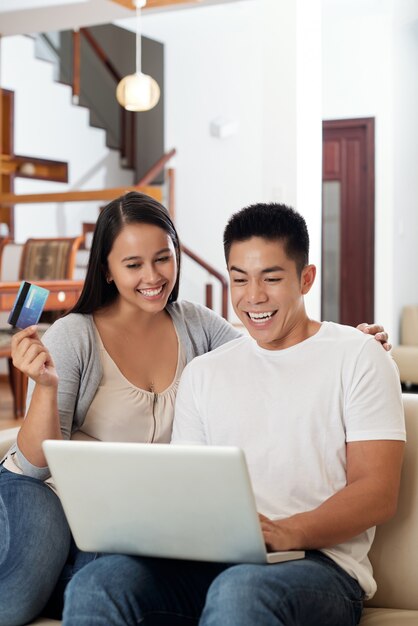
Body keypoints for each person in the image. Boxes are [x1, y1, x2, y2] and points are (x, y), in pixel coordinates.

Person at [0, 193, 391, 626]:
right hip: (47, 489)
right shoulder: (104, 344)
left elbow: (275, 353)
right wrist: (47, 388)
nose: (254, 296)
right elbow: (39, 465)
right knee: (86, 586)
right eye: (240, 279)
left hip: (310, 562)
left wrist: (349, 343)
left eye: (272, 278)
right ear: (107, 271)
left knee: (237, 588)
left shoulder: (204, 331)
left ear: (306, 278)